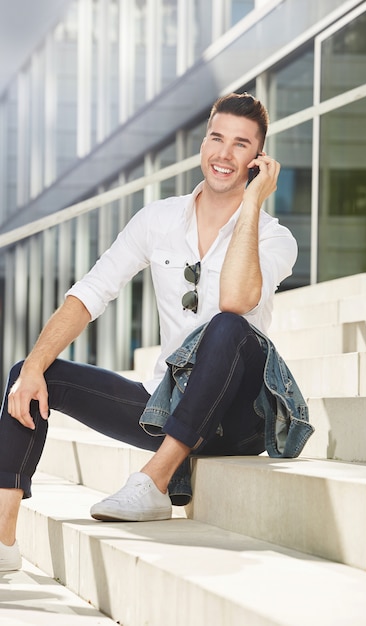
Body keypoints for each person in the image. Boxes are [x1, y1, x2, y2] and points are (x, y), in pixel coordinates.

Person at [0, 92, 309, 573]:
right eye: (216, 138)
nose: (224, 154)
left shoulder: (274, 237)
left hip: (237, 420)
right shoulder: (157, 219)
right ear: (203, 142)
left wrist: (252, 205)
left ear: (258, 159)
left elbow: (235, 300)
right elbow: (90, 293)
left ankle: (153, 483)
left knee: (227, 326)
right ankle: (3, 538)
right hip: (167, 405)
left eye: (241, 145)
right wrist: (36, 367)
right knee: (30, 372)